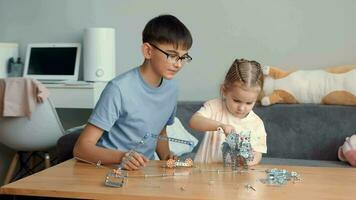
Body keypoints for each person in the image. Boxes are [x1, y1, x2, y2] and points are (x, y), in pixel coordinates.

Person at [73, 14, 193, 170]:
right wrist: (122, 157)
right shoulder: (118, 89)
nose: (178, 64)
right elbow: (81, 149)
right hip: (108, 170)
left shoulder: (172, 88)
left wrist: (166, 157)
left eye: (183, 57)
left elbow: (160, 129)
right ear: (148, 51)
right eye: (172, 55)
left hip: (142, 173)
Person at [189, 59, 266, 166]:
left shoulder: (256, 123)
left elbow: (258, 154)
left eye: (249, 103)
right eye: (236, 100)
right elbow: (194, 121)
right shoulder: (214, 107)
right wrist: (220, 125)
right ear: (224, 90)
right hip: (204, 175)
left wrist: (247, 161)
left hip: (234, 179)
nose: (241, 108)